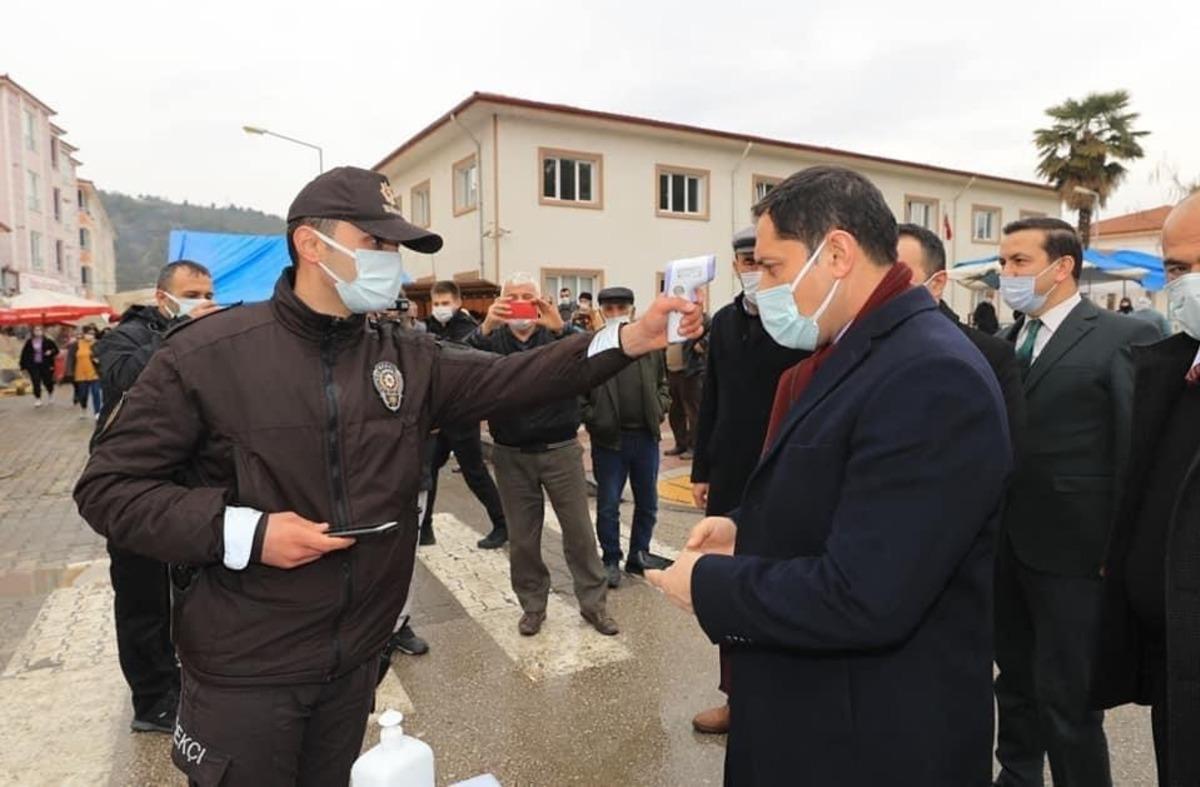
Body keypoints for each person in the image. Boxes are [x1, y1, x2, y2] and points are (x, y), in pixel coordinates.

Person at [74, 167, 698, 785]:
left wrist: (630, 337)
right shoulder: (205, 355)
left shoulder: (403, 354)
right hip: (248, 667)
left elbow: (518, 379)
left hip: (355, 661)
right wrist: (246, 534)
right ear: (311, 245)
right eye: (376, 244)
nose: (391, 262)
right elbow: (109, 489)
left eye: (395, 248)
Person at [647, 165, 1011, 785]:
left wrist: (708, 585)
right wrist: (745, 532)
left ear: (836, 252)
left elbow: (867, 595)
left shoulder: (929, 374)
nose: (760, 286)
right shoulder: (855, 348)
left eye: (772, 267)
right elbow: (842, 497)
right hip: (819, 715)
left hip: (870, 740)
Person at [992, 217, 1160, 787]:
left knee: (1067, 699)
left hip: (1078, 553)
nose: (1006, 273)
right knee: (1013, 686)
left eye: (1018, 262)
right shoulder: (1012, 339)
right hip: (1006, 547)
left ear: (1062, 267)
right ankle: (1016, 778)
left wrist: (1121, 546)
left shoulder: (1117, 335)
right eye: (1003, 262)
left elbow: (1132, 446)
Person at [1094, 193, 1200, 786]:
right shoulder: (1174, 366)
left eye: (1193, 265)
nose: (1182, 285)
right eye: (1177, 269)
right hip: (1173, 667)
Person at [686, 225, 810, 735]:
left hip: (787, 469)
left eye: (764, 262)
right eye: (745, 261)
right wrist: (702, 470)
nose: (754, 270)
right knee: (731, 588)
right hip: (733, 474)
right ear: (735, 265)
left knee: (783, 586)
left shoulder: (801, 320)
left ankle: (785, 699)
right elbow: (710, 397)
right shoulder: (725, 322)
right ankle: (737, 698)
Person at [90, 259, 217, 733]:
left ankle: (178, 676)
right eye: (193, 294)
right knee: (143, 596)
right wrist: (182, 332)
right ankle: (151, 699)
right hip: (133, 486)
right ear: (164, 298)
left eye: (208, 293)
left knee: (187, 590)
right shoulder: (124, 338)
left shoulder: (209, 335)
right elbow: (126, 376)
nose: (204, 302)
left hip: (187, 483)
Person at [468, 273, 619, 638]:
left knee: (580, 534)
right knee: (522, 539)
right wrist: (484, 328)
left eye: (528, 296)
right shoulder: (491, 340)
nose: (521, 303)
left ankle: (594, 606)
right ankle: (533, 606)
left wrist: (563, 329)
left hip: (560, 450)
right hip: (511, 453)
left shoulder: (557, 335)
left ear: (542, 300)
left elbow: (596, 356)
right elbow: (459, 365)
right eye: (513, 296)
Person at [898, 223, 1027, 456]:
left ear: (936, 283)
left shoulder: (989, 354)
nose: (884, 289)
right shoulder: (849, 345)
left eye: (898, 278)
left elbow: (1005, 452)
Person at [580, 286, 672, 588]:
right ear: (600, 312)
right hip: (609, 440)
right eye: (609, 309)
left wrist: (659, 408)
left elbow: (663, 384)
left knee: (647, 501)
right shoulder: (593, 346)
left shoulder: (649, 346)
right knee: (608, 504)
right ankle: (610, 559)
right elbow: (580, 393)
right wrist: (594, 418)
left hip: (645, 437)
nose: (616, 314)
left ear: (632, 310)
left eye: (621, 308)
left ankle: (638, 554)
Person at [421, 280, 509, 549]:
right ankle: (425, 527)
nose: (440, 308)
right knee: (428, 470)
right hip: (437, 417)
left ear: (458, 303)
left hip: (462, 415)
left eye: (445, 303)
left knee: (474, 472)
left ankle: (503, 524)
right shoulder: (428, 328)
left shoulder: (470, 330)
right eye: (436, 303)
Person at [664, 311, 706, 458]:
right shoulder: (669, 320)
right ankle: (680, 443)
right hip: (671, 371)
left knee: (693, 411)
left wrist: (702, 344)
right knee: (675, 411)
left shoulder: (698, 317)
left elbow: (714, 330)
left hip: (690, 372)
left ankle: (694, 447)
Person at [64, 325, 102, 419]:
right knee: (83, 394)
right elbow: (70, 359)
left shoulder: (98, 344)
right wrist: (69, 371)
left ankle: (97, 412)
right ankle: (83, 408)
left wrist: (99, 360)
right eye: (88, 333)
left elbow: (104, 356)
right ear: (84, 334)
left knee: (96, 393)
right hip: (80, 374)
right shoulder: (76, 345)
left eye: (92, 334)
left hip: (94, 373)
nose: (90, 336)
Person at [19, 325, 59, 406]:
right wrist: (22, 366)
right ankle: (38, 398)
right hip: (33, 365)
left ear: (42, 331)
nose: (38, 331)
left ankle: (50, 394)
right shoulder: (29, 342)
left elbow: (56, 350)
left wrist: (50, 352)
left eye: (39, 330)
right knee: (36, 381)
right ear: (33, 332)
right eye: (36, 330)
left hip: (45, 364)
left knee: (47, 381)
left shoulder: (48, 341)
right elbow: (24, 354)